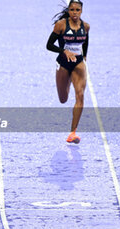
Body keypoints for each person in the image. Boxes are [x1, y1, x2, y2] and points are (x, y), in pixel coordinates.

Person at [46, 0, 89, 143]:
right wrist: (64, 51)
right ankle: (69, 79)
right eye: (72, 10)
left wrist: (84, 55)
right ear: (69, 11)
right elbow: (49, 45)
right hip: (63, 64)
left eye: (77, 10)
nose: (75, 13)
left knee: (80, 96)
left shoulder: (86, 26)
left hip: (78, 65)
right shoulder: (61, 25)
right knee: (63, 99)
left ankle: (73, 133)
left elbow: (85, 41)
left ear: (81, 11)